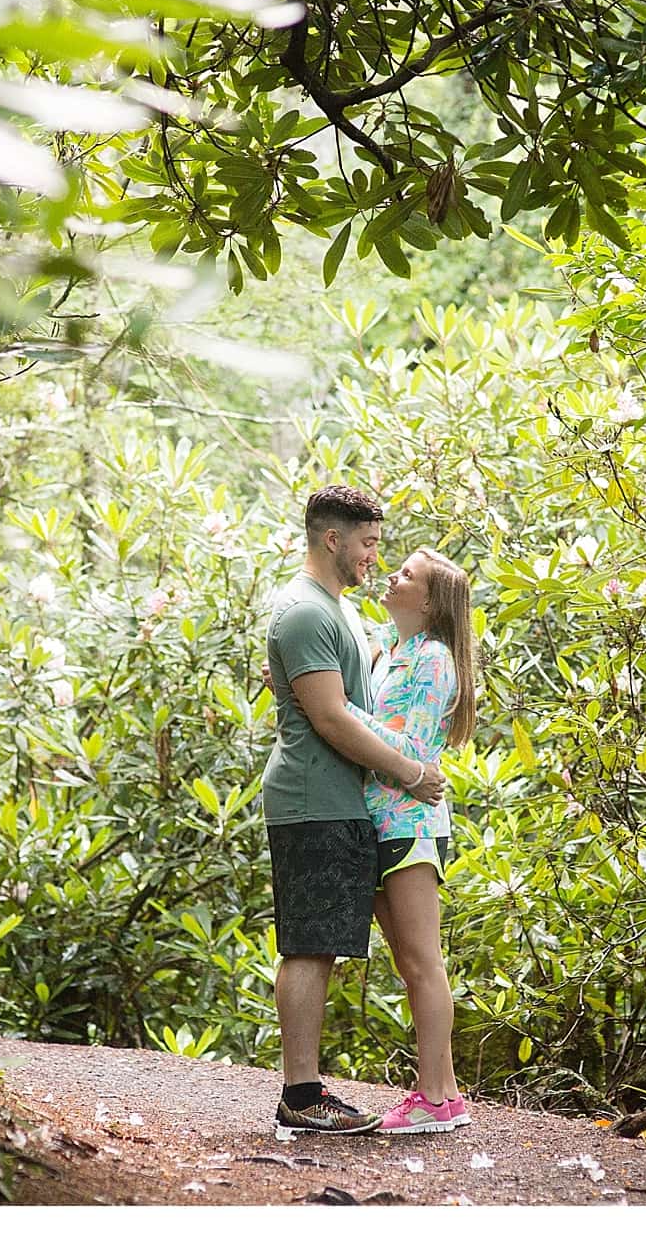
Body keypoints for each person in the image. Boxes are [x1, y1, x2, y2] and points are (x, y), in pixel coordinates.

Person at [263, 485, 447, 1136]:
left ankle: (307, 1090)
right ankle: (301, 1095)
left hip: (341, 804)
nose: (375, 555)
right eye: (368, 542)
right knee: (310, 947)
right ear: (333, 538)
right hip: (313, 799)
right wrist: (411, 772)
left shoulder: (334, 610)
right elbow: (332, 717)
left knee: (322, 946)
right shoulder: (307, 611)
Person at [357, 548, 479, 1133]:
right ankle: (443, 1094)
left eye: (407, 575)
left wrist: (340, 712)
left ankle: (435, 1098)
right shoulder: (391, 648)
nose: (392, 576)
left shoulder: (433, 661)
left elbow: (408, 753)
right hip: (376, 823)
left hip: (409, 826)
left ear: (429, 602)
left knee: (422, 963)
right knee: (409, 964)